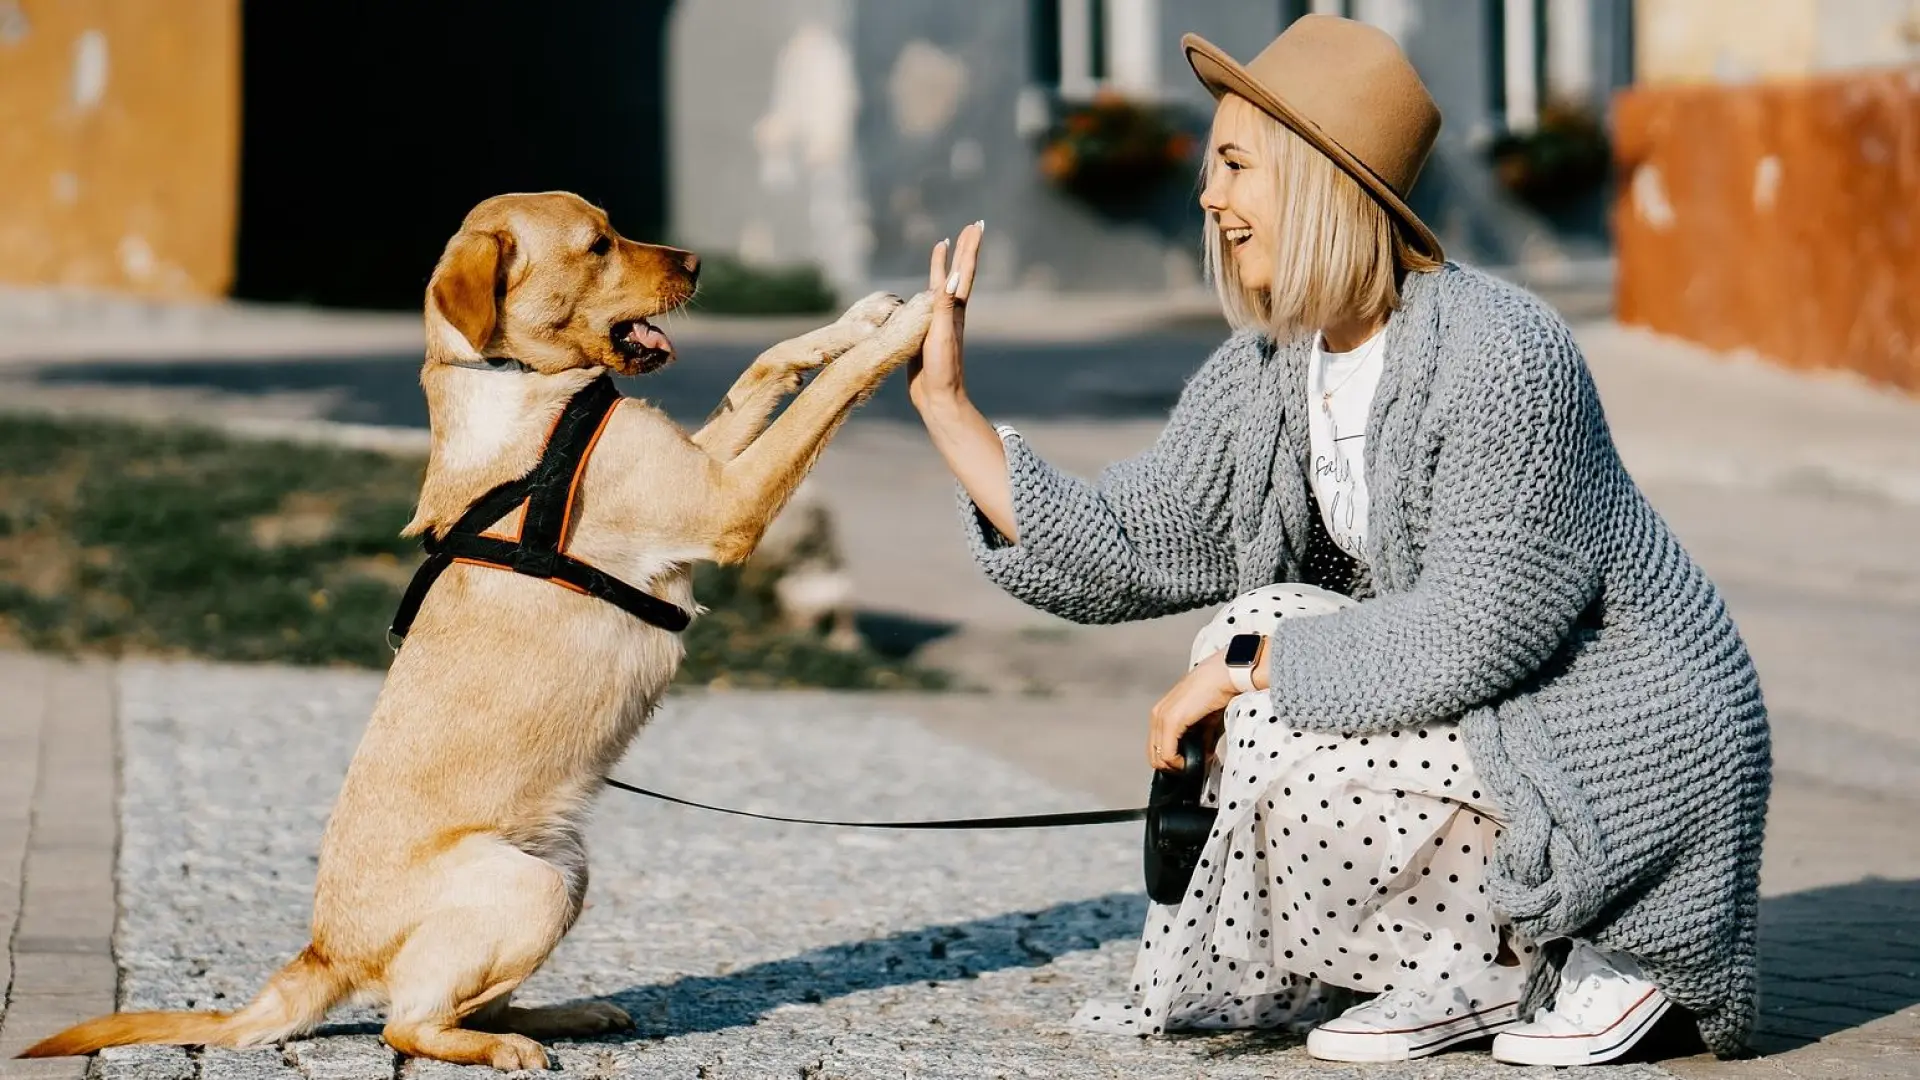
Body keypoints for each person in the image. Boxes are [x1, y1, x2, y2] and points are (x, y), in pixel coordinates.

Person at [909, 14, 1770, 1068]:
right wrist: (950, 410)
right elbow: (1135, 540)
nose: (1207, 196)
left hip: (1621, 737)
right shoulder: (1274, 367)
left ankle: (1591, 947)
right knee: (1255, 626)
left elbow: (1479, 629)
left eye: (1234, 164)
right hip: (1496, 721)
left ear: (1318, 177)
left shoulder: (1504, 353)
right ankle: (1454, 965)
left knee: (1259, 661)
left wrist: (1245, 674)